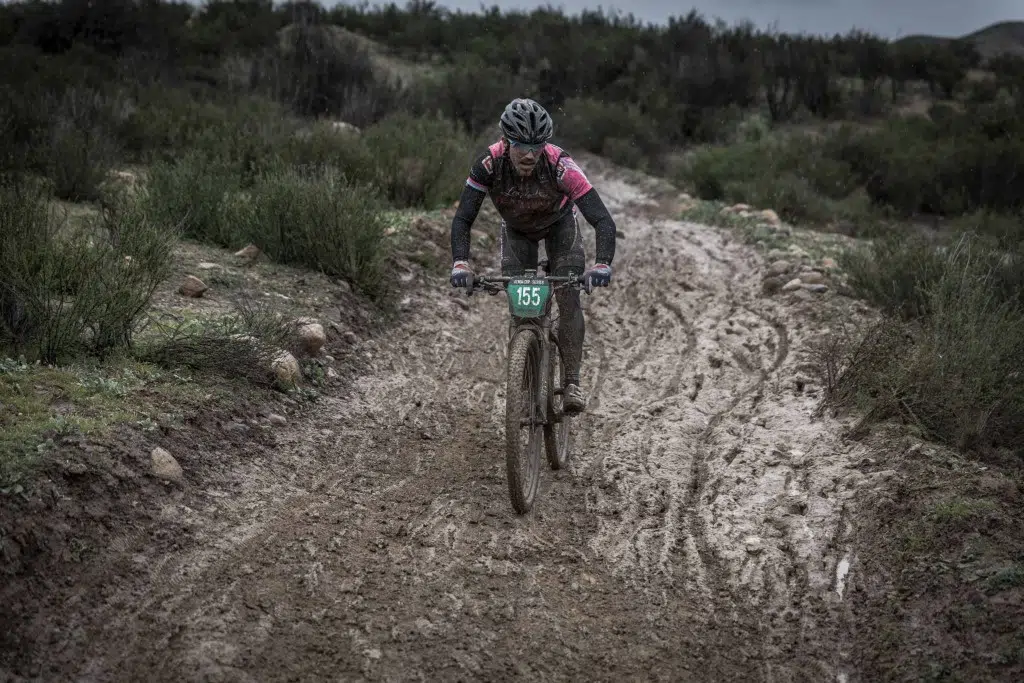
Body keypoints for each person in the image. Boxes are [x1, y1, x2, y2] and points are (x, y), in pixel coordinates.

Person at [449, 97, 617, 415]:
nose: (529, 154)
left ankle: (571, 382)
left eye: (537, 146)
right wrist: (461, 263)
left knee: (568, 294)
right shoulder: (488, 164)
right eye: (521, 146)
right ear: (505, 141)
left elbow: (602, 219)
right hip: (517, 231)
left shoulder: (560, 165)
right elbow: (463, 218)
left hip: (560, 226)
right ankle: (524, 382)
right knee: (522, 310)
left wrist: (602, 264)